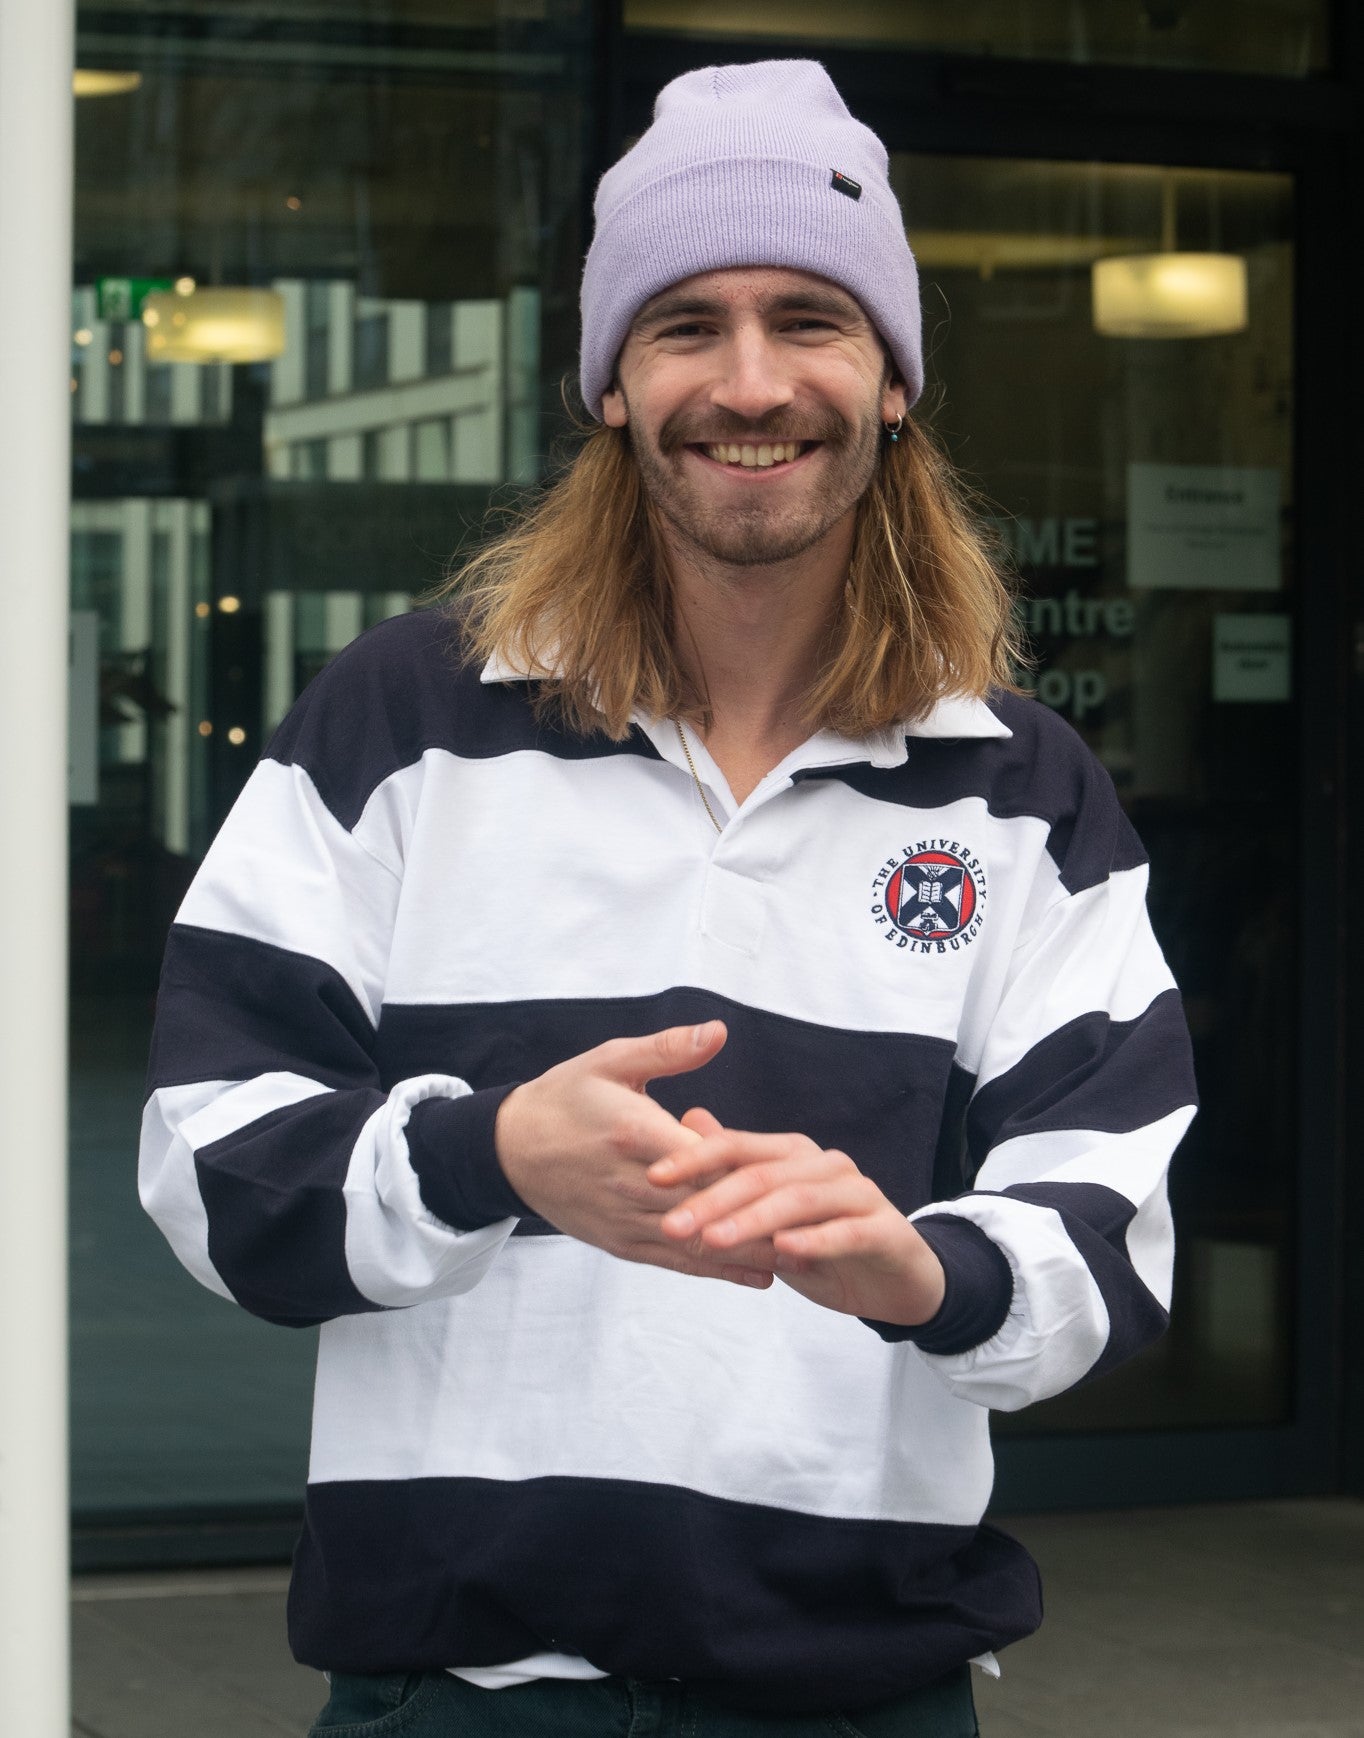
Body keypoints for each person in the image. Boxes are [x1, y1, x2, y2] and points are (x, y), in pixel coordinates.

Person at [140, 58, 1196, 1738]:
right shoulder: (406, 720)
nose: (752, 380)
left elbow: (1108, 1231)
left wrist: (915, 1271)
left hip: (861, 1695)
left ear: (895, 381)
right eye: (686, 323)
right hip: (454, 1693)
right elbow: (206, 1161)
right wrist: (492, 1155)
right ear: (614, 386)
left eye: (811, 318)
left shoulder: (1019, 789)